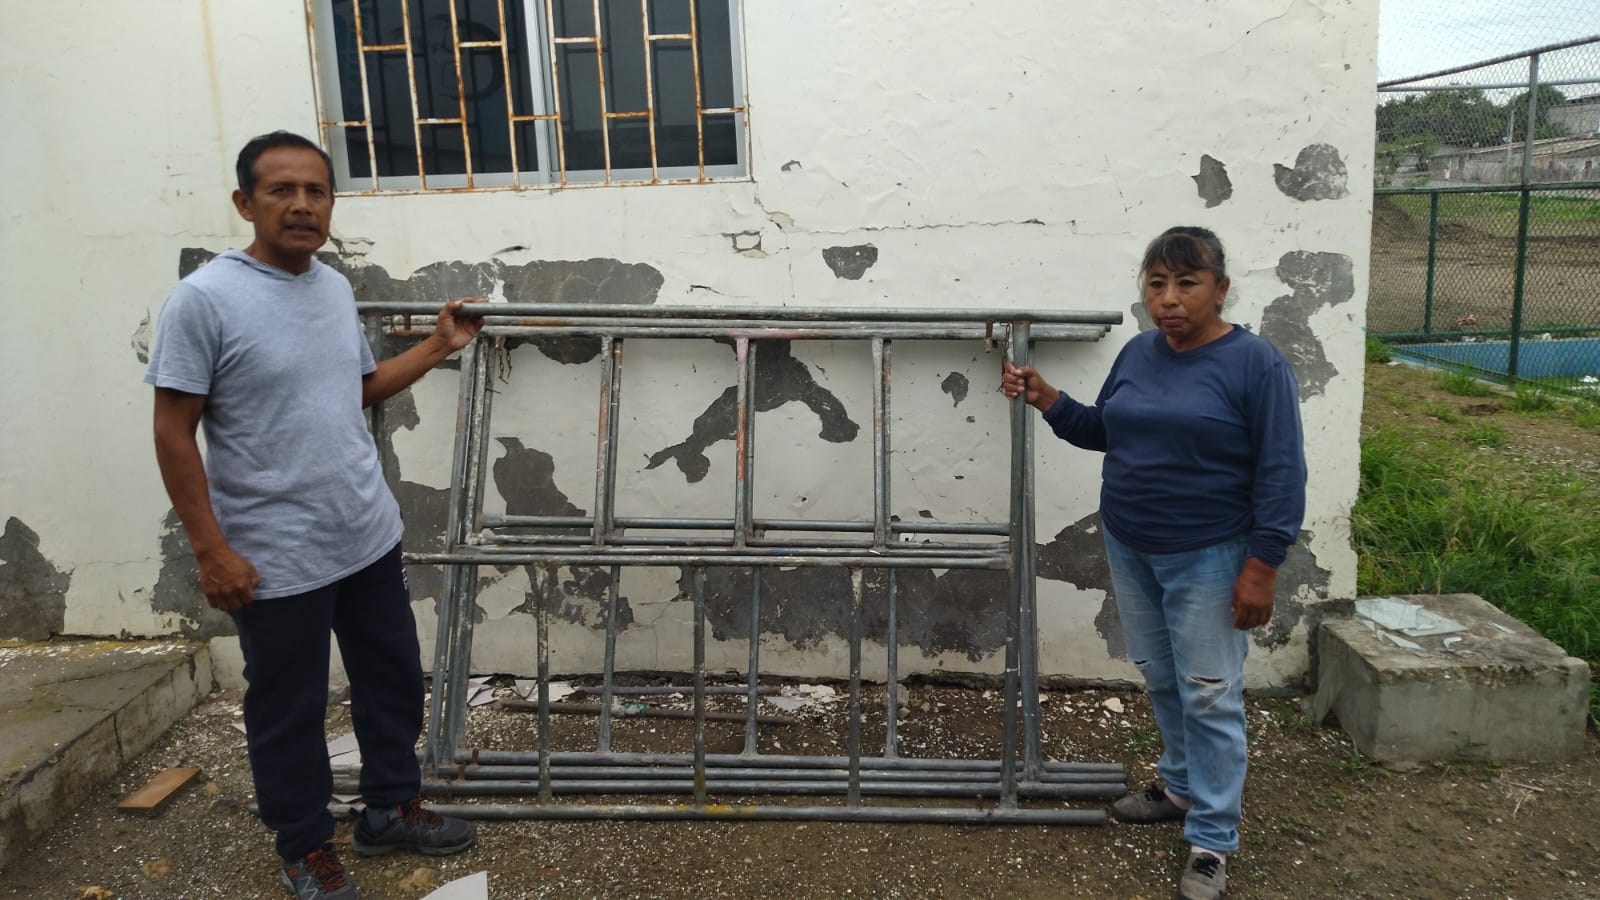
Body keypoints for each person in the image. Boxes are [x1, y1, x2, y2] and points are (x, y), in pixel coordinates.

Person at [145, 131, 484, 900]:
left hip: (364, 535)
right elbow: (172, 432)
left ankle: (389, 808)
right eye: (281, 190)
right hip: (274, 556)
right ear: (245, 203)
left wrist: (439, 345)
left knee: (392, 682)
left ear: (331, 203)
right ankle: (303, 845)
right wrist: (210, 551)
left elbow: (355, 389)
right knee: (289, 709)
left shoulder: (330, 287)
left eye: (316, 191)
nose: (302, 205)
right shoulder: (204, 300)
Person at [1002, 226, 1305, 900]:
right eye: (1157, 283)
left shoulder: (1255, 365)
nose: (1168, 299)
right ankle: (1181, 788)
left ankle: (1212, 841)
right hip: (1130, 542)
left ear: (1220, 289)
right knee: (1161, 674)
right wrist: (1047, 397)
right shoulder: (1139, 353)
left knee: (1210, 691)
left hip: (1211, 553)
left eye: (1186, 283)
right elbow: (1106, 431)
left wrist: (1263, 565)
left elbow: (1282, 471)